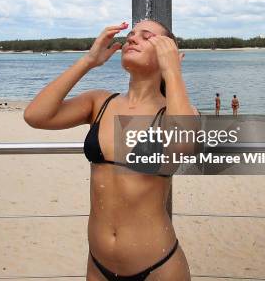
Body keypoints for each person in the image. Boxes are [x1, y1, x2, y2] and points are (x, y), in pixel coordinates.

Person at [24, 20, 198, 280]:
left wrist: (172, 70)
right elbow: (36, 116)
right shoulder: (100, 103)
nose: (132, 39)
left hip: (158, 267)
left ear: (169, 51)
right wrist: (89, 61)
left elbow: (183, 144)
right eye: (130, 35)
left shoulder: (172, 113)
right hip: (98, 266)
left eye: (146, 36)